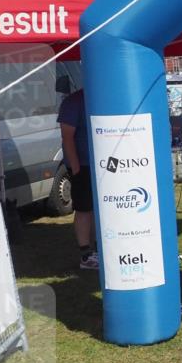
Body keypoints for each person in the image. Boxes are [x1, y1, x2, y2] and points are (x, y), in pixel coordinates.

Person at [57, 88, 98, 270]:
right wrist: (76, 169)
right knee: (84, 209)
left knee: (100, 209)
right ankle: (86, 255)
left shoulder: (103, 95)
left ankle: (99, 250)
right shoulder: (74, 101)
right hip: (83, 166)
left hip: (105, 165)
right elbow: (67, 137)